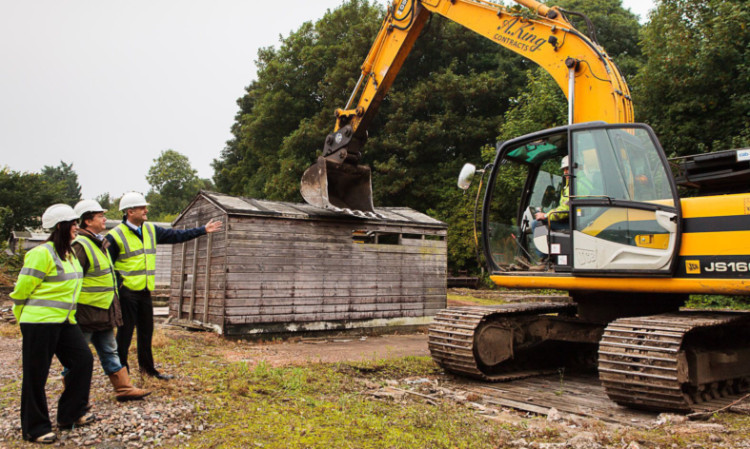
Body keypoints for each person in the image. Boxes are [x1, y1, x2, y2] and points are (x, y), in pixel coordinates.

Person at [107, 192, 223, 380]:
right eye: (142, 208)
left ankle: (149, 371)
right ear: (130, 211)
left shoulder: (151, 230)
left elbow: (177, 235)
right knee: (124, 336)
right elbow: (107, 266)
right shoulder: (115, 236)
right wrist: (120, 286)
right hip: (126, 293)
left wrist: (202, 230)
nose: (146, 210)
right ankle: (122, 375)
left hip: (144, 291)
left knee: (146, 333)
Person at [10, 204, 95, 444]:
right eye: (74, 224)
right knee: (36, 375)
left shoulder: (68, 254)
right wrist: (22, 320)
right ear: (61, 226)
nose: (77, 228)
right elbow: (21, 291)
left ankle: (70, 414)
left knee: (83, 361)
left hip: (65, 321)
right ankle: (35, 428)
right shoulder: (41, 254)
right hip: (39, 323)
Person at [63, 199, 150, 401]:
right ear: (87, 221)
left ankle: (124, 388)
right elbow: (74, 279)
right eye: (100, 216)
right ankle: (72, 397)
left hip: (102, 311)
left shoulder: (98, 241)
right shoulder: (81, 245)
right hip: (85, 313)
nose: (104, 219)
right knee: (76, 357)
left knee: (110, 351)